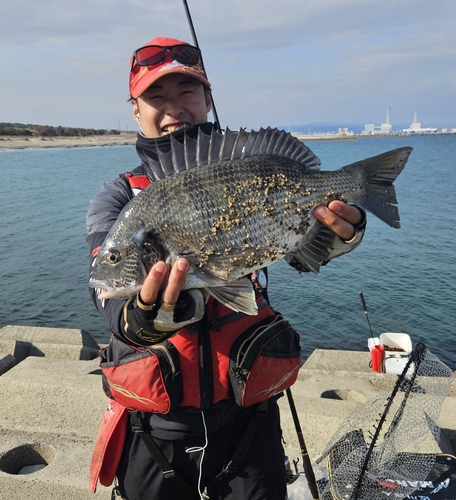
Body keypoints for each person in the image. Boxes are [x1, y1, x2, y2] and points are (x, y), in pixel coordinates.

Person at [87, 36, 366, 500]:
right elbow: (104, 288)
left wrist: (341, 235)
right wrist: (140, 319)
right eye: (156, 96)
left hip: (248, 420)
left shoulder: (243, 165)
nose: (173, 107)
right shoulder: (118, 199)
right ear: (135, 110)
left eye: (187, 93)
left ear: (208, 100)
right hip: (155, 429)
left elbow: (302, 254)